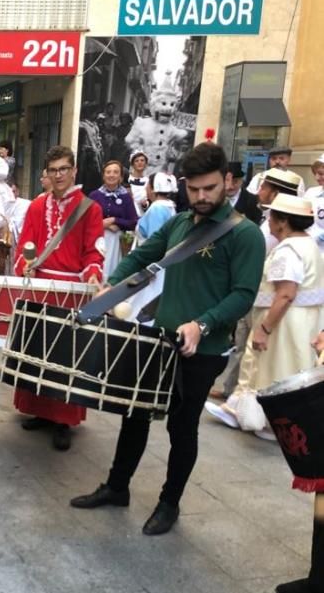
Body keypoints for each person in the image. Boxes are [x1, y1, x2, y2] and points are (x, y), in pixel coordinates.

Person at [70, 142, 266, 536]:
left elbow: (243, 295)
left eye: (209, 188)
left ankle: (168, 503)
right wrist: (111, 284)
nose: (201, 197)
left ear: (226, 182)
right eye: (193, 189)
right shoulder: (179, 224)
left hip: (203, 348)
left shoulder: (244, 235)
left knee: (182, 428)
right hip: (159, 338)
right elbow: (142, 256)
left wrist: (203, 324)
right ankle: (117, 486)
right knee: (134, 414)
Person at [207, 194, 324, 442]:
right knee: (288, 366)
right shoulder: (309, 244)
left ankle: (272, 421)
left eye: (272, 217)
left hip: (286, 322)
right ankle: (251, 412)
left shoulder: (288, 251)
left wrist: (265, 328)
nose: (268, 222)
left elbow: (285, 294)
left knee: (276, 368)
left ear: (283, 222)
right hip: (302, 320)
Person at [11, 146, 104, 451]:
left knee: (66, 356)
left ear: (74, 171)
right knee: (38, 351)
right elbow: (27, 242)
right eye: (53, 170)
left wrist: (92, 272)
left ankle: (63, 419)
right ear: (47, 174)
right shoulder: (37, 207)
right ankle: (40, 410)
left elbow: (93, 250)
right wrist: (25, 262)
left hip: (71, 291)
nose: (59, 174)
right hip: (39, 287)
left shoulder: (90, 208)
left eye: (64, 168)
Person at [126, 172, 178, 322]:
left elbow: (155, 244)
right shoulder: (169, 208)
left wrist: (149, 268)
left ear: (154, 188)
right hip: (162, 266)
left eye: (148, 185)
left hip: (152, 268)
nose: (146, 188)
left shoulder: (157, 210)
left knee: (142, 306)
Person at [89, 160, 139, 278]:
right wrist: (102, 224)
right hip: (96, 239)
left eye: (115, 172)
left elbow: (133, 222)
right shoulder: (94, 195)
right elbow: (85, 220)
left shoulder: (126, 197)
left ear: (121, 177)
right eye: (108, 172)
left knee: (110, 271)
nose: (111, 175)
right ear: (103, 175)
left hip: (115, 243)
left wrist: (114, 220)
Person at [255, 167, 302, 253]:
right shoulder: (268, 220)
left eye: (262, 188)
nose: (258, 192)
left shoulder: (278, 227)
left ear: (275, 194)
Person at [127, 151, 150, 216]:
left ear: (146, 163)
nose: (140, 162)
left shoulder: (149, 182)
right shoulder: (126, 180)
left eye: (142, 160)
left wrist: (145, 205)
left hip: (143, 216)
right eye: (136, 161)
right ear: (132, 164)